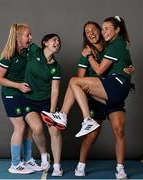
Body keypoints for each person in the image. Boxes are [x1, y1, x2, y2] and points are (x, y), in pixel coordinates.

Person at [41, 17, 134, 179]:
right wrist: (88, 90)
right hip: (96, 94)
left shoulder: (111, 45)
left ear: (102, 30)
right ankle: (81, 165)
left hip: (112, 89)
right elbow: (80, 79)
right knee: (91, 134)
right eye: (87, 32)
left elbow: (120, 61)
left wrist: (128, 70)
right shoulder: (86, 53)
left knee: (119, 130)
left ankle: (120, 168)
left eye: (95, 30)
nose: (91, 33)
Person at [0, 23, 48, 174]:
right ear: (18, 37)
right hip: (11, 94)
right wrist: (18, 86)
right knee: (20, 127)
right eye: (27, 35)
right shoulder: (7, 55)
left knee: (29, 127)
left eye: (30, 35)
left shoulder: (26, 53)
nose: (30, 37)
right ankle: (15, 164)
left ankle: (28, 160)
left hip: (24, 95)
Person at [22, 33, 63, 176]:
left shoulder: (56, 67)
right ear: (45, 42)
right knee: (37, 128)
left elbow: (55, 90)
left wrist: (51, 112)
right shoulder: (34, 50)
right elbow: (22, 40)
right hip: (29, 100)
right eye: (54, 40)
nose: (58, 42)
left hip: (47, 102)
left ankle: (57, 166)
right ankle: (44, 157)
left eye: (59, 41)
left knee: (55, 131)